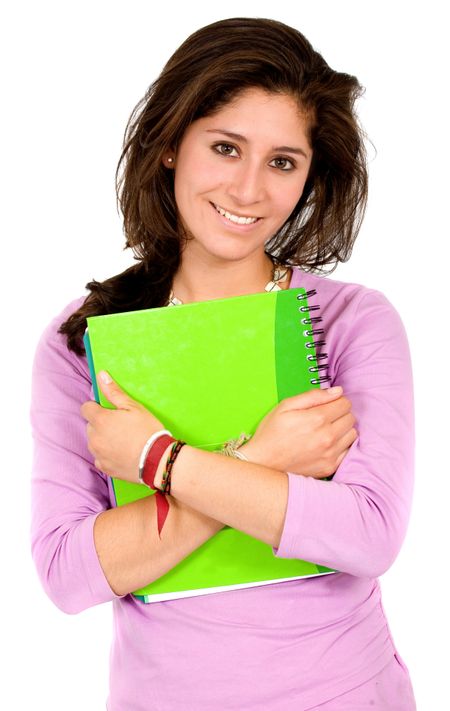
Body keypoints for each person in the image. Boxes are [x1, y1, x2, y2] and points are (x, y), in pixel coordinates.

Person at [30, 16, 416, 710]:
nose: (248, 190)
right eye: (226, 147)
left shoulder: (356, 322)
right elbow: (68, 573)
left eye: (282, 162)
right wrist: (266, 457)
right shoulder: (86, 339)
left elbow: (369, 534)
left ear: (308, 176)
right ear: (172, 144)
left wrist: (161, 460)